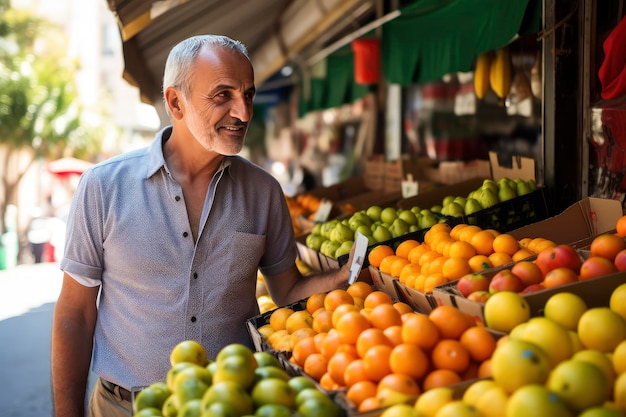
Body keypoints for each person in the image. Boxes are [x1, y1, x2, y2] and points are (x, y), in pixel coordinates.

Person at [51, 34, 353, 417]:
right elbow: (74, 316)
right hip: (122, 408)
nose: (243, 113)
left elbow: (287, 290)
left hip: (233, 404)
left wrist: (343, 275)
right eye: (223, 95)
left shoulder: (264, 192)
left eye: (249, 94)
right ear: (176, 102)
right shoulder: (103, 187)